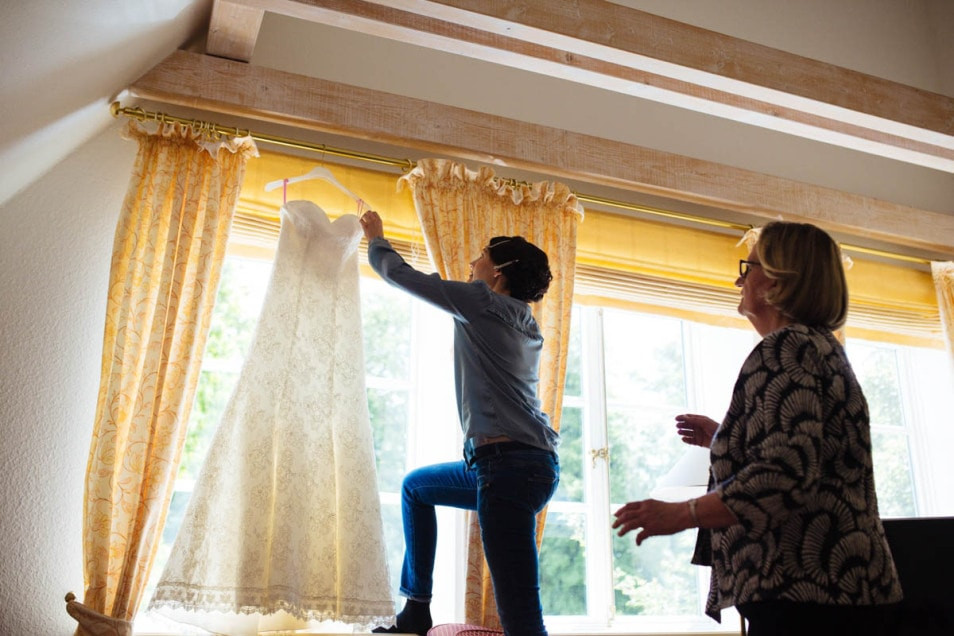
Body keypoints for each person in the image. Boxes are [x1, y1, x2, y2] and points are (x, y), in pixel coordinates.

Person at [612, 221, 903, 636]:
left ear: (779, 281)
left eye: (748, 267)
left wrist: (680, 513)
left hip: (806, 595)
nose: (738, 279)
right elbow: (809, 454)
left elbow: (783, 475)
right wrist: (724, 440)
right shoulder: (819, 347)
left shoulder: (787, 347)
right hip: (836, 593)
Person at [359, 210, 560, 636]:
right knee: (417, 487)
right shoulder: (525, 320)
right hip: (519, 466)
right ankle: (416, 610)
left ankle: (416, 612)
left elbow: (399, 274)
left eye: (482, 256)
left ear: (499, 272)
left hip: (507, 469)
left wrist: (376, 237)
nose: (473, 262)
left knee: (521, 618)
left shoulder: (481, 301)